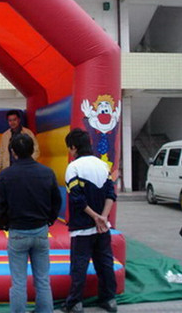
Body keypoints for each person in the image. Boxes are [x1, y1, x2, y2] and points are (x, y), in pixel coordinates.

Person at [0, 134, 62, 313]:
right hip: (40, 230)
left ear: (13, 152)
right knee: (43, 279)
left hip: (17, 231)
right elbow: (57, 200)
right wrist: (50, 219)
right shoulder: (47, 172)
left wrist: (2, 224)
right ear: (33, 150)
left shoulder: (6, 175)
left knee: (18, 282)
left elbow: (0, 205)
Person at [61, 128, 117, 313]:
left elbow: (77, 199)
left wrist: (94, 217)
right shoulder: (103, 165)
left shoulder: (73, 167)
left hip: (82, 228)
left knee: (79, 265)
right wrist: (103, 217)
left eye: (69, 148)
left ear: (74, 147)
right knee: (105, 263)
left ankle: (75, 303)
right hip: (103, 227)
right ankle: (109, 300)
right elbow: (111, 193)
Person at [0, 110, 41, 216]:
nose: (12, 122)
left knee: (22, 190)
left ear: (19, 120)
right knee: (1, 189)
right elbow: (2, 152)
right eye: (10, 121)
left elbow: (36, 150)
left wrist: (29, 161)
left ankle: (22, 211)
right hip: (9, 167)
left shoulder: (27, 133)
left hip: (23, 167)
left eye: (14, 120)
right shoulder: (6, 135)